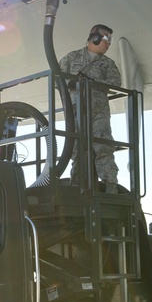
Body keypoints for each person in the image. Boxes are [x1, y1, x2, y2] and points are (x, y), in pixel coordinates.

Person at [58, 23, 121, 189]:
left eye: (110, 40)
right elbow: (58, 80)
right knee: (77, 149)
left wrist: (92, 83)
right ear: (94, 38)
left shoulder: (107, 64)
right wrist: (72, 82)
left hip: (98, 112)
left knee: (103, 146)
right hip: (76, 112)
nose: (108, 43)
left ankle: (110, 185)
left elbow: (115, 83)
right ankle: (77, 185)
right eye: (106, 38)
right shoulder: (71, 58)